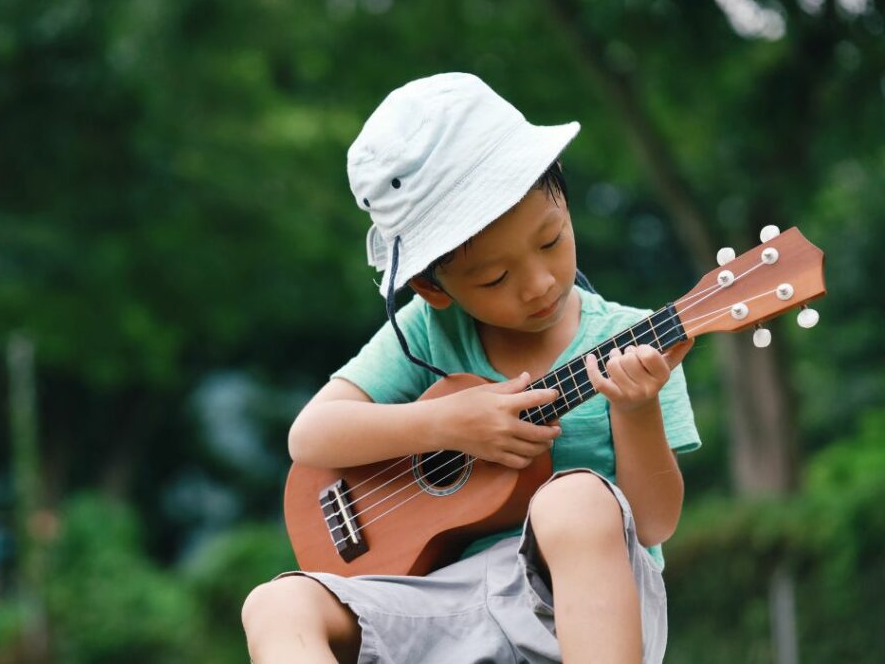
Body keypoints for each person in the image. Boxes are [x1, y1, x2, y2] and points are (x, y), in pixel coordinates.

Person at [241, 72, 701, 664]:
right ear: (432, 289)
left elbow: (658, 524)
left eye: (551, 241)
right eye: (494, 278)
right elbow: (310, 437)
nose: (539, 284)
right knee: (274, 605)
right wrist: (446, 425)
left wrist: (635, 410)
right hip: (443, 613)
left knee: (575, 499)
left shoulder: (630, 344)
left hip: (578, 614)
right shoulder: (428, 332)